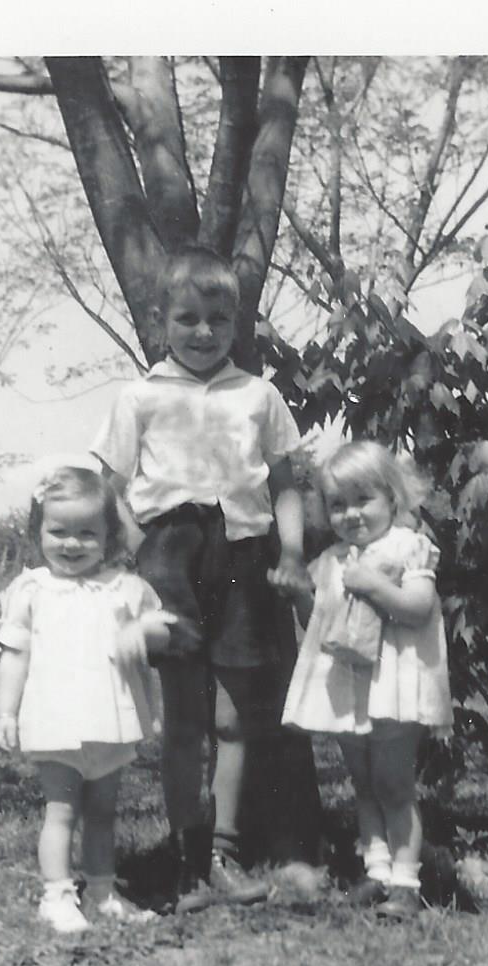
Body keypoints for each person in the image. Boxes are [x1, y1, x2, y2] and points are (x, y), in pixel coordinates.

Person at [90, 245, 310, 912]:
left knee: (236, 720)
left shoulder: (259, 394)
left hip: (244, 556)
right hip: (172, 557)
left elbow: (285, 482)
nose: (204, 331)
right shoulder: (139, 397)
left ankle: (224, 849)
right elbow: (110, 488)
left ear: (236, 322)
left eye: (218, 318)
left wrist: (292, 550)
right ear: (161, 321)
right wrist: (144, 556)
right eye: (188, 318)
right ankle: (186, 858)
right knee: (184, 721)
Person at [0, 460, 175, 934]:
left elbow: (157, 642)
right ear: (39, 532)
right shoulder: (33, 589)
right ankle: (56, 895)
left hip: (109, 720)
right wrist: (5, 713)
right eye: (59, 532)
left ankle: (102, 890)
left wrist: (148, 633)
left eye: (86, 534)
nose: (71, 544)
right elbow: (15, 656)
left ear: (109, 536)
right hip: (56, 721)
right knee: (62, 809)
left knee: (102, 812)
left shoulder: (126, 589)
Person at [279, 441, 454, 920]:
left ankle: (405, 881)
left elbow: (418, 610)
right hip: (348, 687)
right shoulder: (332, 559)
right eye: (338, 505)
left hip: (394, 686)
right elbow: (319, 620)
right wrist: (299, 594)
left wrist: (376, 586)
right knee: (364, 784)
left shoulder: (407, 547)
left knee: (394, 784)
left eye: (363, 500)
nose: (351, 515)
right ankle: (375, 871)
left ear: (392, 499)